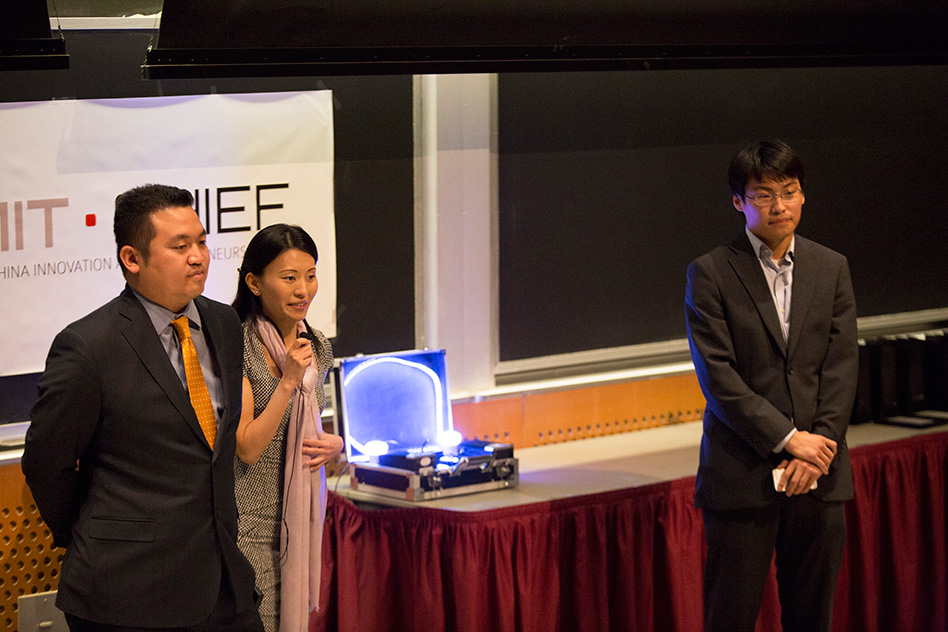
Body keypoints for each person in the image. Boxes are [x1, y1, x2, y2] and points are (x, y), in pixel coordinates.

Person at [22, 184, 263, 631]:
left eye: (202, 241)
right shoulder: (89, 346)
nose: (199, 256)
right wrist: (96, 531)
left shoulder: (224, 322)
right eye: (180, 246)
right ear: (132, 259)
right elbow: (44, 462)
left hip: (224, 586)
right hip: (127, 593)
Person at [684, 139, 858, 632]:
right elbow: (719, 379)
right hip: (743, 476)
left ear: (803, 195)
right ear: (738, 201)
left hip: (818, 474)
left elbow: (841, 368)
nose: (779, 205)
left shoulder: (832, 267)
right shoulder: (711, 272)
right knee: (731, 618)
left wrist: (815, 447)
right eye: (763, 194)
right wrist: (788, 440)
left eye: (789, 191)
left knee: (812, 618)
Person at [231, 224, 344, 632]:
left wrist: (335, 444)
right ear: (254, 283)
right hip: (250, 526)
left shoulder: (316, 344)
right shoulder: (238, 344)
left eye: (310, 275)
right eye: (289, 278)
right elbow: (246, 447)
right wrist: (288, 381)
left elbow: (313, 428)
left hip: (300, 520)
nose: (304, 290)